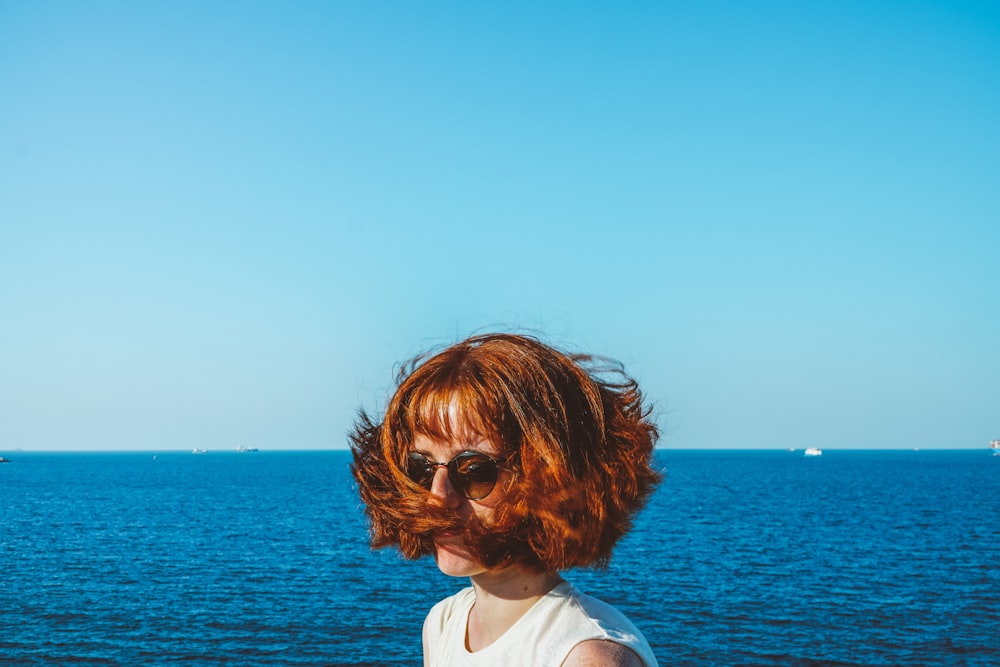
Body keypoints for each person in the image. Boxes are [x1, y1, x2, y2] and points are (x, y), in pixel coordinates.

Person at [351, 333, 661, 666]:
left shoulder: (583, 656)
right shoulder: (444, 622)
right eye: (421, 468)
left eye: (474, 470)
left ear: (553, 478)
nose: (437, 498)